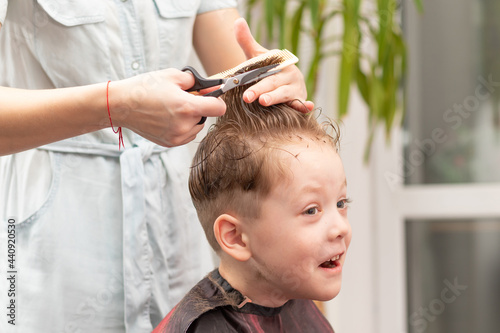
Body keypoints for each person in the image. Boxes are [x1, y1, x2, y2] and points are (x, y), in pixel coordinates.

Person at [0, 1, 313, 332]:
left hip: (176, 225)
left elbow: (241, 77)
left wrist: (275, 82)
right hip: (55, 238)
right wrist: (115, 104)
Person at [153, 56, 352, 333]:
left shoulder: (297, 303)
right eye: (311, 210)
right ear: (235, 236)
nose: (340, 228)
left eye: (341, 203)